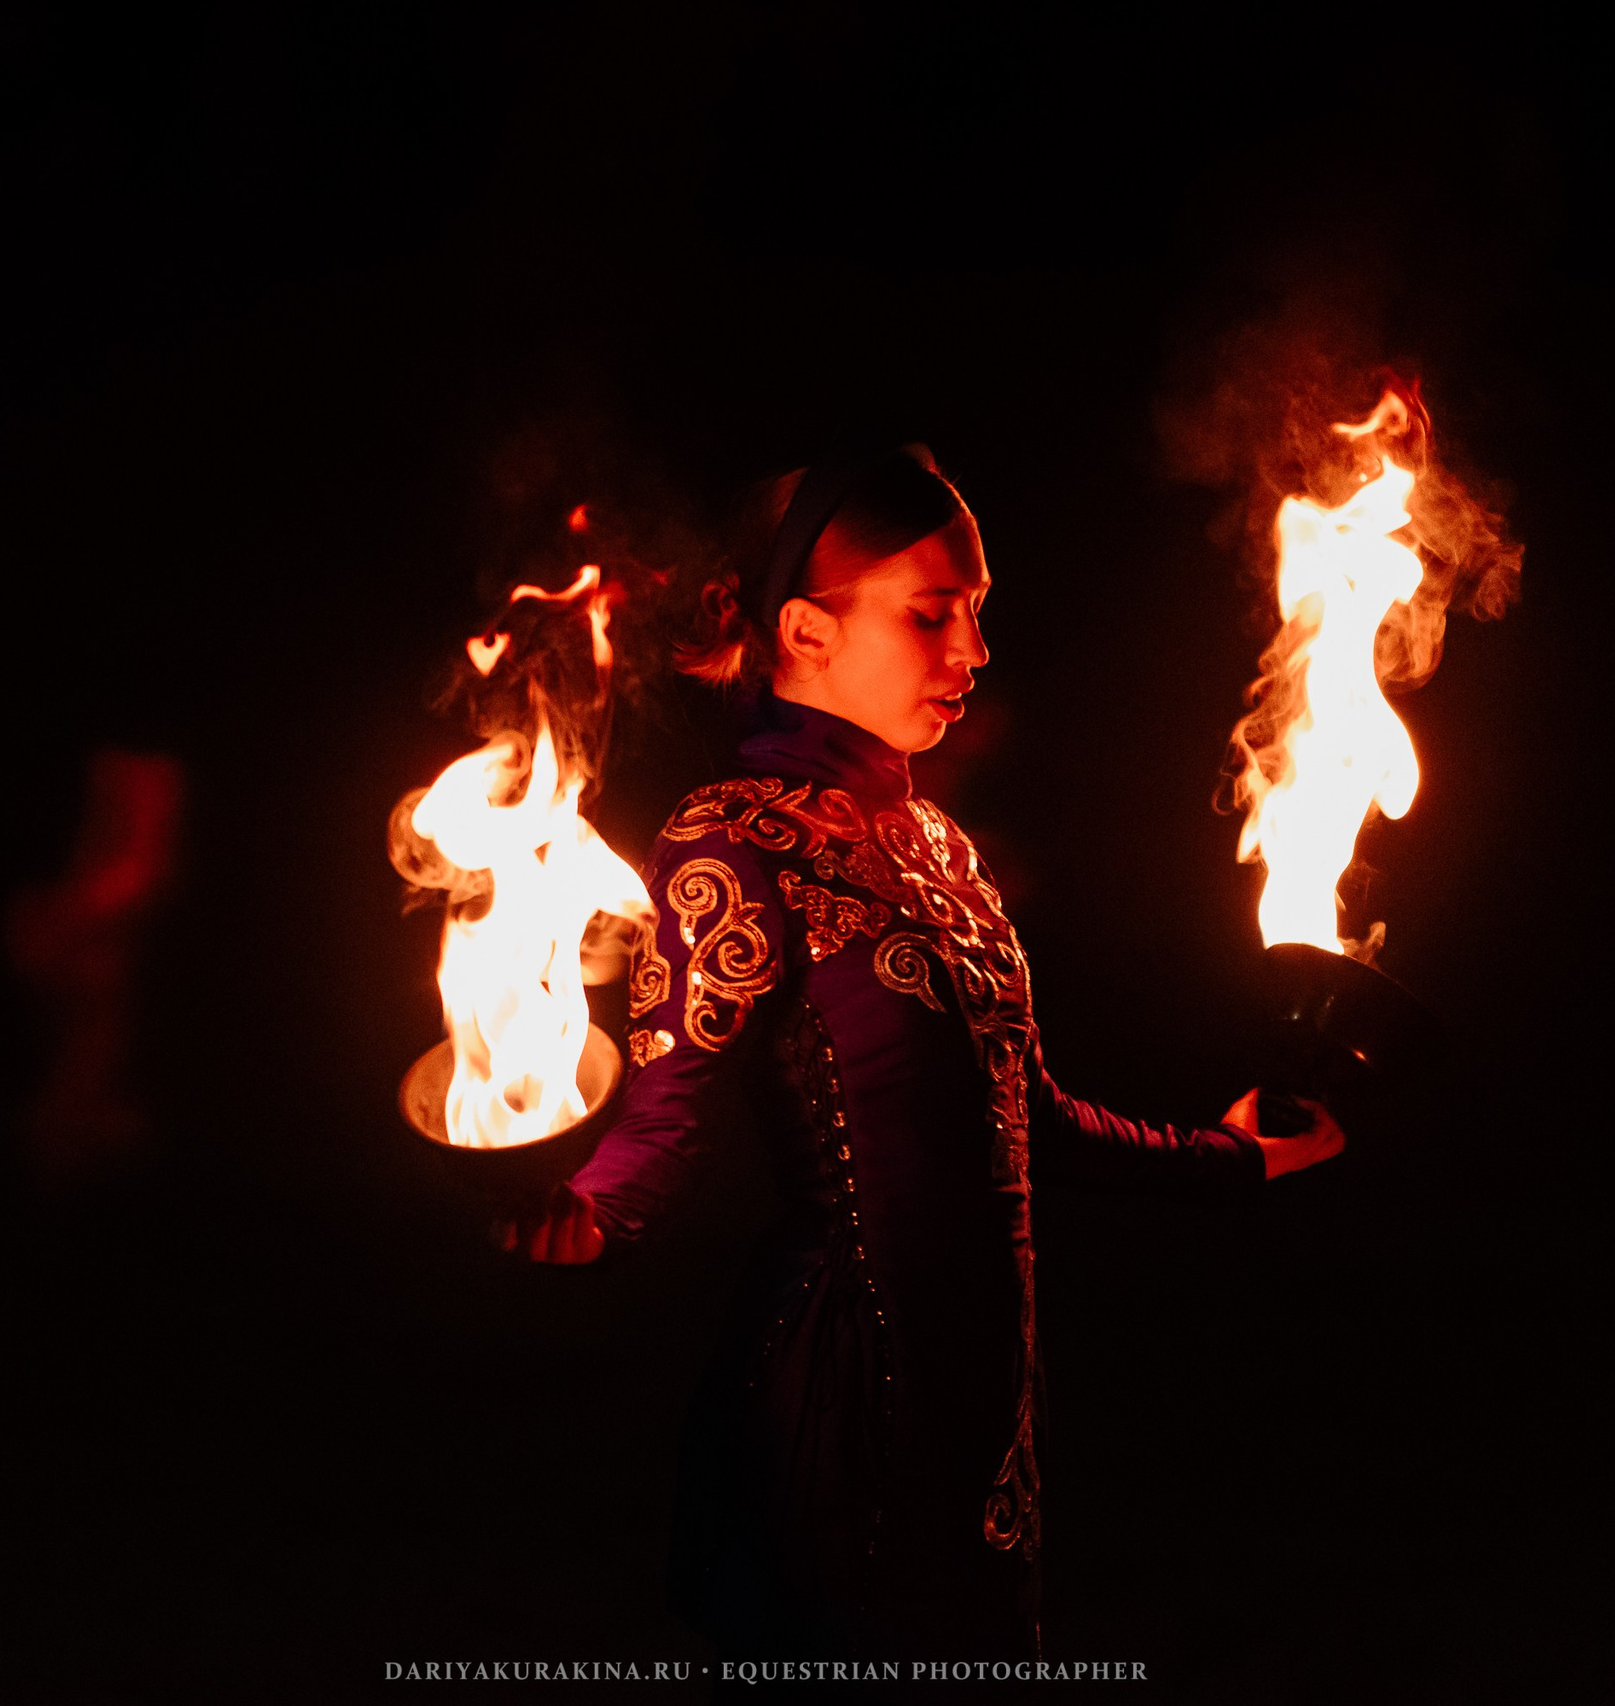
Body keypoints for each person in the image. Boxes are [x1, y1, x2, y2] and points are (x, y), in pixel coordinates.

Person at [496, 446, 1345, 1660]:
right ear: (804, 631)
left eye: (977, 612)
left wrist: (1230, 1155)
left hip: (986, 1388)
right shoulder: (729, 842)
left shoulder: (938, 846)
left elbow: (1025, 1119)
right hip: (839, 1393)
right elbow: (655, 1131)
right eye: (931, 612)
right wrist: (550, 1211)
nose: (973, 650)